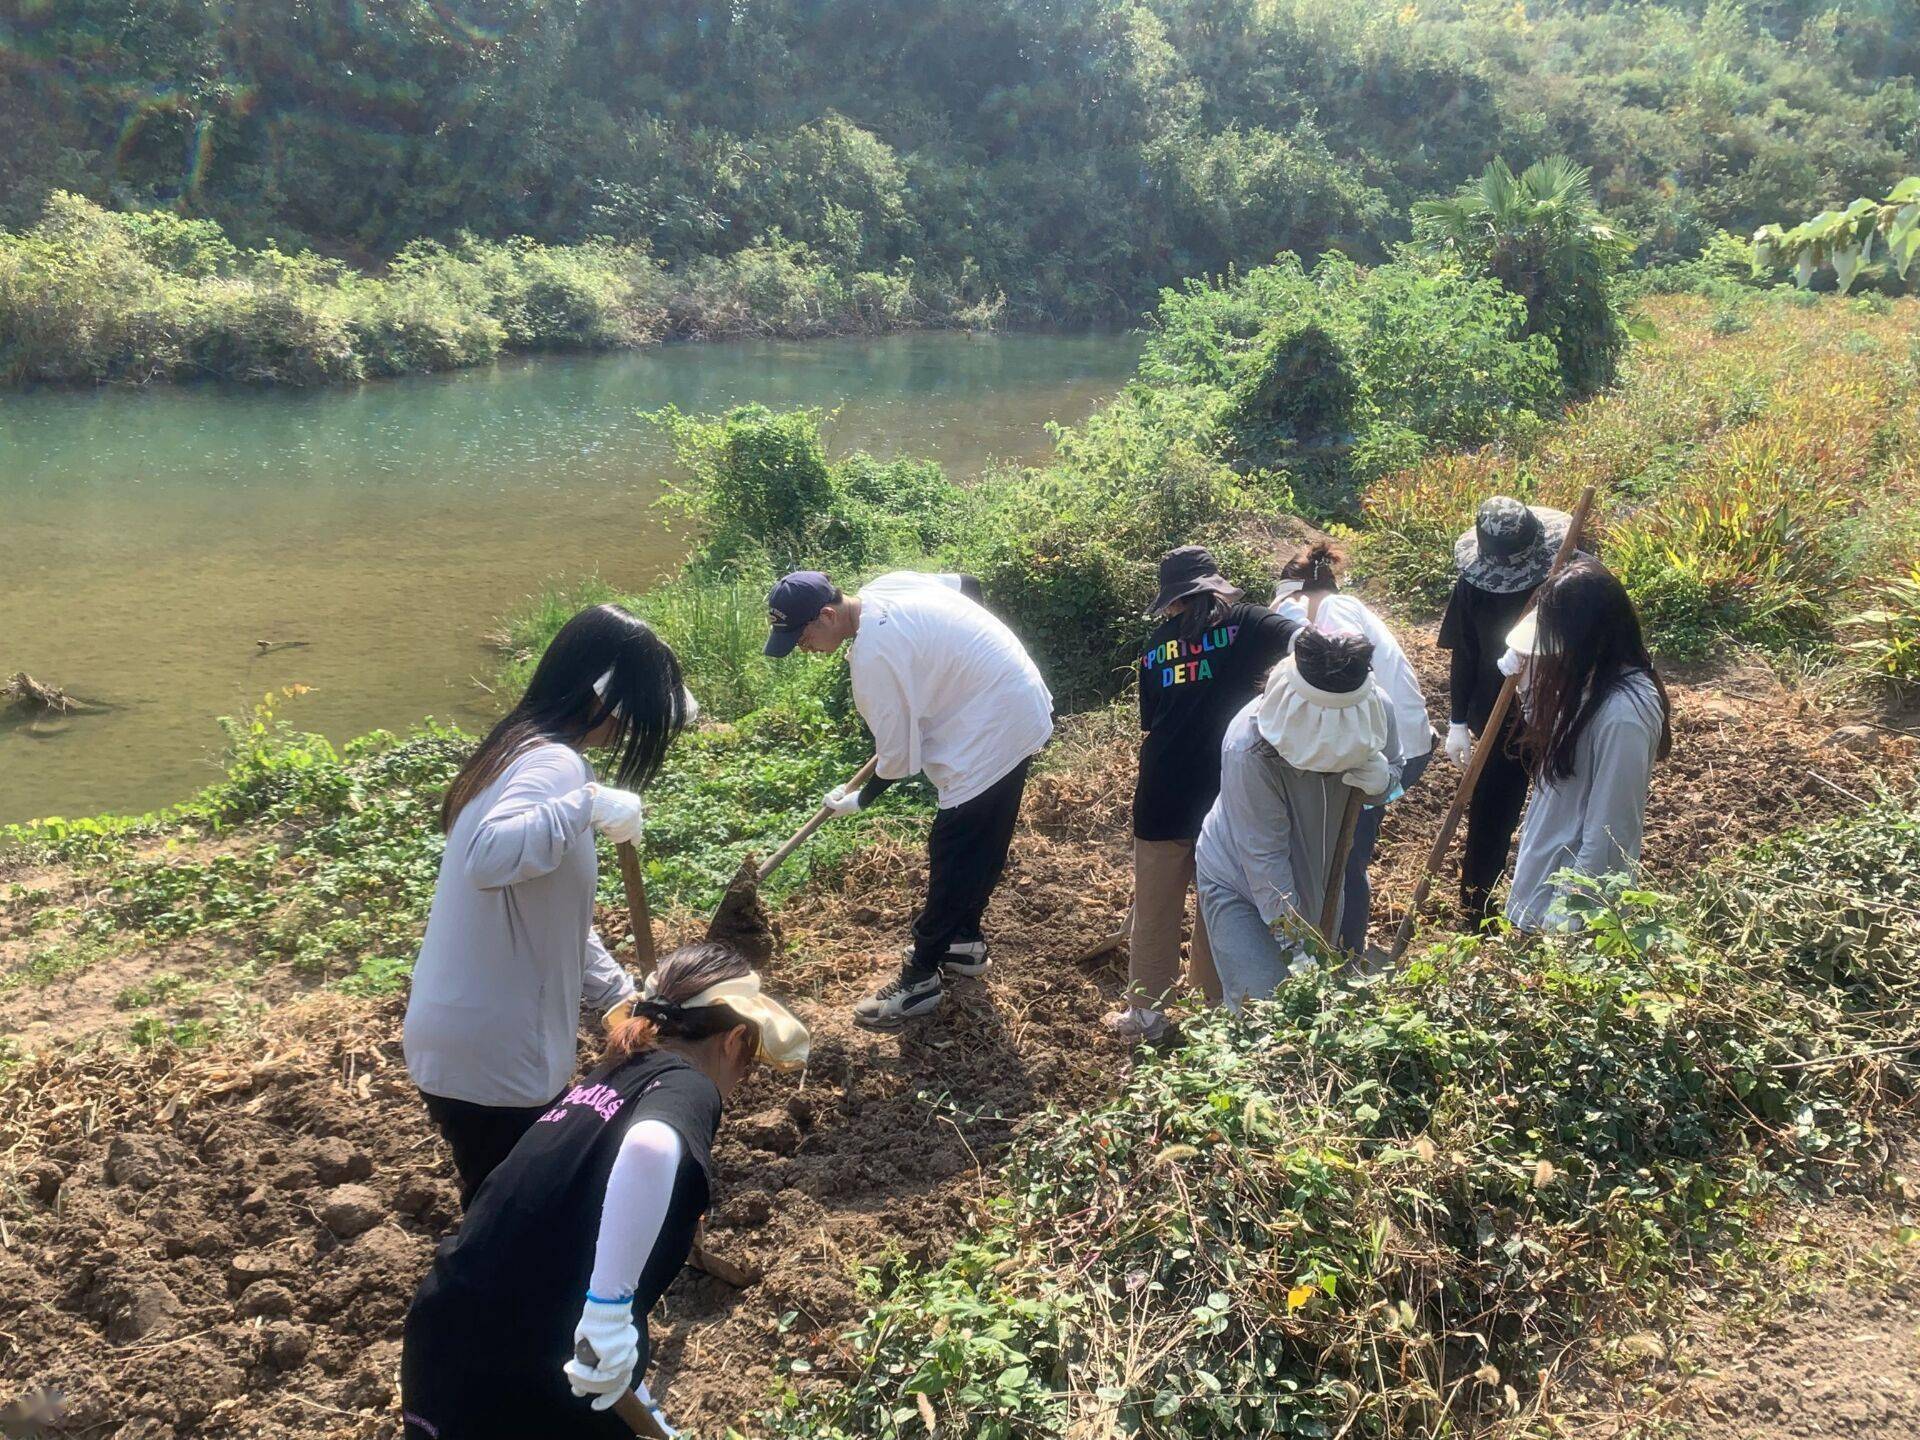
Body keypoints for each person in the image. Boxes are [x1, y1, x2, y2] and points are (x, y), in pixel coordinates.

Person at [401, 942, 811, 1440]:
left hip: (447, 1337)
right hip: (522, 1375)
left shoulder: (615, 1073)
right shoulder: (690, 1087)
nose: (747, 1073)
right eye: (752, 1055)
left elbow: (564, 1231)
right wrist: (609, 1313)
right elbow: (650, 1148)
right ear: (734, 1039)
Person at [404, 603, 693, 1204]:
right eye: (628, 716)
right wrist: (584, 802)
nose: (624, 731)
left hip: (466, 1039)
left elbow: (549, 915)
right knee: (513, 1215)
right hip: (497, 1053)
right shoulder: (554, 763)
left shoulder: (515, 750)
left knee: (504, 1201)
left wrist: (615, 995)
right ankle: (483, 1296)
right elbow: (486, 858)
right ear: (600, 698)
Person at [764, 569, 1053, 1029]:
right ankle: (963, 941)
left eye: (801, 636)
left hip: (992, 727)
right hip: (1014, 699)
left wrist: (859, 800)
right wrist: (955, 656)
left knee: (954, 852)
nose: (802, 648)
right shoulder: (888, 585)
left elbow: (899, 759)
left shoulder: (874, 660)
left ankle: (919, 979)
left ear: (827, 614)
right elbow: (967, 584)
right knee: (980, 844)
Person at [1104, 545, 1298, 1041]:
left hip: (1162, 792)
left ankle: (1146, 1017)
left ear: (1172, 602)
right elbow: (1313, 642)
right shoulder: (1254, 624)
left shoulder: (1156, 645)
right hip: (1229, 792)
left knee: (1154, 910)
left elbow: (1154, 722)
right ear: (1217, 587)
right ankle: (1213, 1011)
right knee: (1220, 900)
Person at [1193, 628, 1400, 1011]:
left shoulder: (1375, 709)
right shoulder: (1248, 745)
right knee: (1265, 1012)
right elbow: (1263, 858)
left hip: (1323, 880)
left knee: (1314, 1013)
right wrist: (1296, 943)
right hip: (1239, 881)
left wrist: (1385, 783)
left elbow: (1392, 779)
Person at [1272, 540, 1435, 956]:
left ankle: (1346, 954)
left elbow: (1344, 683)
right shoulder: (1346, 607)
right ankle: (1343, 947)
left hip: (1387, 748)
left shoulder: (1332, 614)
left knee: (1344, 856)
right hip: (1405, 742)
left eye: (1289, 602)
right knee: (1344, 850)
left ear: (1301, 594)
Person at [1504, 558, 1672, 931]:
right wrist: (1526, 680)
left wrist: (1566, 918)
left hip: (1570, 910)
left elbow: (1612, 826)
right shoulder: (1591, 680)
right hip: (1541, 885)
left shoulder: (1624, 714)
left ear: (1588, 639)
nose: (1552, 658)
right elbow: (1553, 731)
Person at [1438, 495, 1575, 926]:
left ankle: (1561, 909)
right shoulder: (1473, 585)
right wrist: (1457, 720)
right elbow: (1464, 651)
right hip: (1498, 715)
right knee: (1492, 810)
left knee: (1564, 807)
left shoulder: (1565, 576)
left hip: (1561, 710)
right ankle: (1478, 910)